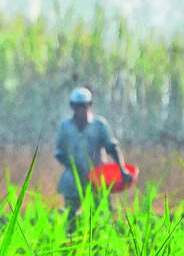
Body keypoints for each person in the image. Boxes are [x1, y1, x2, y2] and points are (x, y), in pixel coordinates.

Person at [54, 87, 133, 235]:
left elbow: (112, 148)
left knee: (102, 217)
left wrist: (122, 169)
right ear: (72, 107)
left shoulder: (99, 125)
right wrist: (76, 168)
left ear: (90, 105)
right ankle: (71, 247)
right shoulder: (65, 127)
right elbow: (59, 153)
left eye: (85, 106)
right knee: (71, 219)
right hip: (73, 179)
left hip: (97, 178)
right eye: (78, 107)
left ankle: (100, 249)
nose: (81, 110)